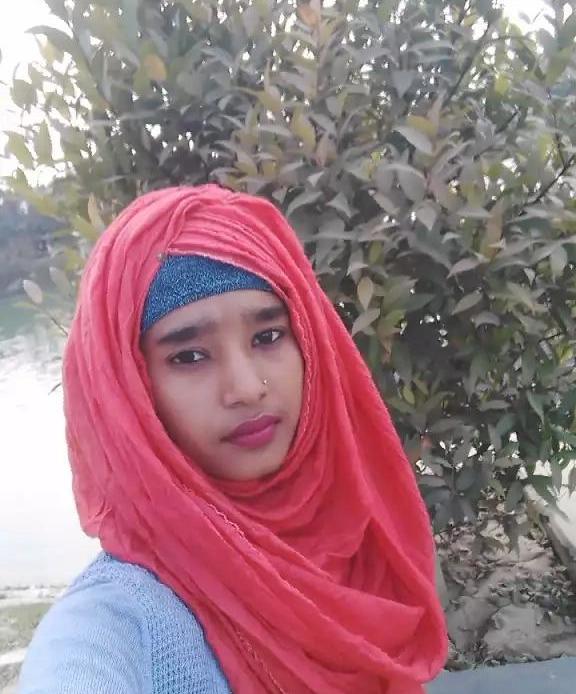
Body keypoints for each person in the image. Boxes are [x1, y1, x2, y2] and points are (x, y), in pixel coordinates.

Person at [19, 184, 447, 693]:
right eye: (189, 356)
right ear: (130, 391)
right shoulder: (117, 624)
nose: (246, 388)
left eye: (268, 336)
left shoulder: (371, 539)